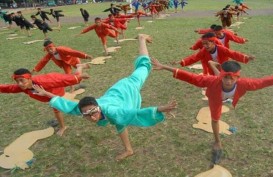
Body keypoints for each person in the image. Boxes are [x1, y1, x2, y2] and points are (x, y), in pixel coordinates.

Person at [33, 34, 177, 161]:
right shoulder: (83, 109)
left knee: (144, 67)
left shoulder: (111, 111)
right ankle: (129, 149)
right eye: (87, 115)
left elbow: (135, 113)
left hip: (128, 88)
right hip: (115, 94)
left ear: (98, 107)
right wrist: (46, 94)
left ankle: (141, 39)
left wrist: (160, 109)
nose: (92, 117)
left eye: (93, 112)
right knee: (119, 122)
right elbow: (65, 104)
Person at [152, 58, 273, 164]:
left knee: (219, 80)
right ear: (222, 75)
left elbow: (262, 82)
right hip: (215, 96)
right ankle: (217, 142)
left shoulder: (244, 83)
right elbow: (190, 76)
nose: (229, 81)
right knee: (215, 118)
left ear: (238, 77)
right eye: (225, 77)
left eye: (232, 78)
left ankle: (213, 65)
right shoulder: (212, 81)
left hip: (224, 92)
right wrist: (164, 67)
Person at [0, 63, 90, 136]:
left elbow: (61, 80)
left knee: (57, 109)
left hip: (56, 91)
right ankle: (80, 66)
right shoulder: (23, 86)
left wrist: (78, 78)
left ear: (30, 78)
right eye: (17, 81)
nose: (19, 84)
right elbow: (9, 88)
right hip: (48, 94)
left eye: (22, 80)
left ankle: (63, 127)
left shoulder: (44, 81)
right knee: (75, 78)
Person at [171, 32, 255, 75]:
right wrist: (181, 61)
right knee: (214, 82)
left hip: (224, 67)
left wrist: (246, 57)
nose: (205, 46)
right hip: (212, 70)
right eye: (203, 44)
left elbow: (233, 54)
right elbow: (194, 57)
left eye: (207, 44)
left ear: (213, 43)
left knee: (225, 80)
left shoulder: (222, 49)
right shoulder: (203, 51)